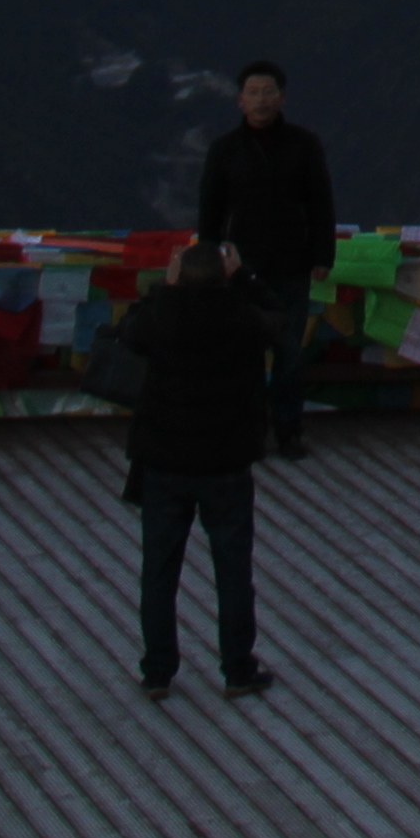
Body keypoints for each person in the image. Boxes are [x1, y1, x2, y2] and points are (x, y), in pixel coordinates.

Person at [110, 240, 277, 696]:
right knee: (232, 570)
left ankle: (158, 670)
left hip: (165, 462)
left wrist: (163, 289)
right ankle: (238, 666)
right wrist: (244, 279)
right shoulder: (242, 318)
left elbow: (129, 329)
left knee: (160, 570)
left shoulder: (160, 318)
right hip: (225, 462)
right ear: (224, 275)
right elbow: (280, 324)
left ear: (178, 276)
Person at [195, 63, 337, 461]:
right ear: (240, 101)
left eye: (268, 91)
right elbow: (211, 209)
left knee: (289, 351)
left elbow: (320, 203)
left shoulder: (303, 145)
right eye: (253, 93)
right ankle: (250, 430)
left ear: (282, 97)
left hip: (293, 262)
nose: (261, 100)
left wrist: (324, 255)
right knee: (245, 352)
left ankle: (288, 428)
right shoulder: (224, 150)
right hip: (242, 268)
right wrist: (209, 259)